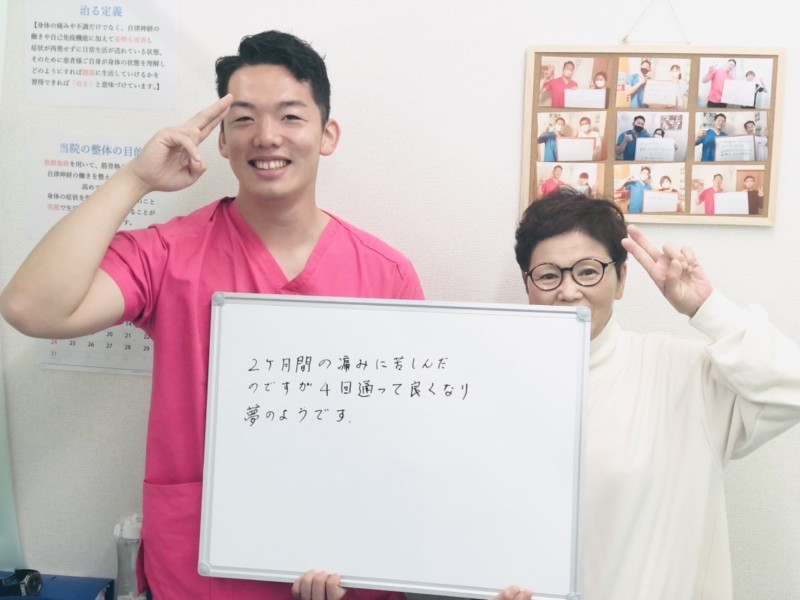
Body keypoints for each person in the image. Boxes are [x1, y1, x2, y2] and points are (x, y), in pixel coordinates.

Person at [0, 30, 423, 600]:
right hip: (203, 572)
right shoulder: (168, 253)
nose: (266, 136)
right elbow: (30, 307)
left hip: (342, 567)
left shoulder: (386, 273)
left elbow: (409, 438)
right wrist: (136, 179)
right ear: (221, 140)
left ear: (328, 134)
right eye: (243, 118)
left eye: (291, 116)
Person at [496, 188, 800, 600]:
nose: (567, 291)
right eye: (549, 275)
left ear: (621, 279)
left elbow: (791, 386)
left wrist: (706, 308)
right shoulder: (498, 390)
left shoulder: (684, 374)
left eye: (587, 271)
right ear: (527, 285)